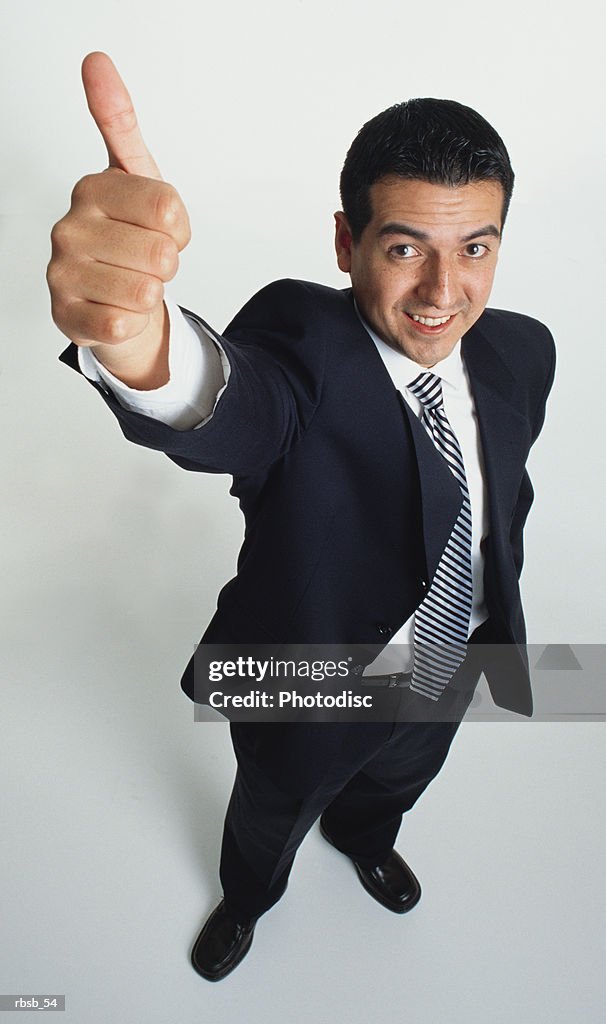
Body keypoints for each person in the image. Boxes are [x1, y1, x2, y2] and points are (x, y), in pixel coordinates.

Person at [47, 52, 555, 982]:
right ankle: (247, 899)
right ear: (344, 240)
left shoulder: (525, 352)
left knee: (399, 778)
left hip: (452, 658)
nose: (445, 292)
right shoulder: (305, 343)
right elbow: (241, 402)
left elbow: (501, 497)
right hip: (310, 667)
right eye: (405, 247)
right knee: (273, 808)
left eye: (474, 247)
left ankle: (365, 836)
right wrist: (136, 340)